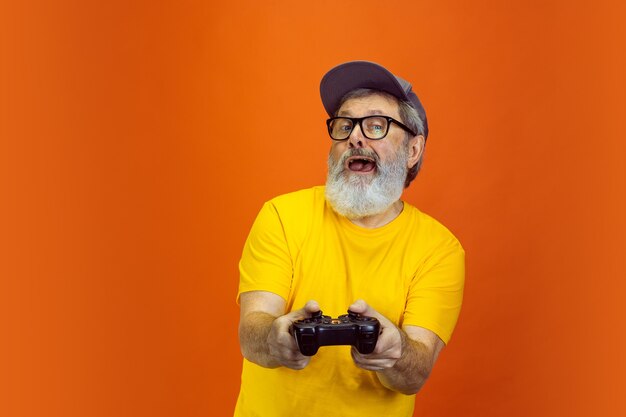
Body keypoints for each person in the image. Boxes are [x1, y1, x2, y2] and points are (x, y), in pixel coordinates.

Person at [234, 61, 465, 417]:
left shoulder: (439, 249)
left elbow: (415, 373)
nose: (355, 137)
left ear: (413, 150)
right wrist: (275, 338)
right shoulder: (282, 215)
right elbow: (252, 331)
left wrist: (395, 351)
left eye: (376, 125)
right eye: (345, 125)